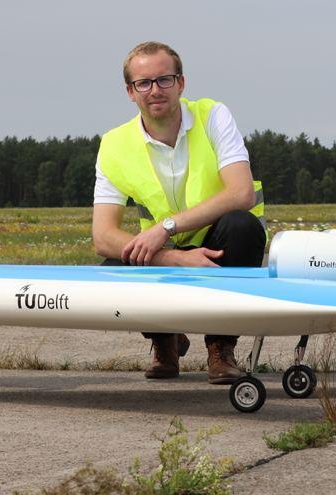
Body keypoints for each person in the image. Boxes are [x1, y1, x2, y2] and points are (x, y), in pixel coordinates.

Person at [92, 41, 266, 383]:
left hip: (219, 242)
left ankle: (220, 347)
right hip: (164, 254)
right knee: (114, 266)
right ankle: (164, 339)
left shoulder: (212, 115)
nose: (155, 90)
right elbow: (103, 236)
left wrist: (166, 228)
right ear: (130, 92)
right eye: (144, 83)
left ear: (181, 84)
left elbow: (241, 192)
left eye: (164, 80)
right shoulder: (114, 144)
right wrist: (170, 257)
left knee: (242, 226)